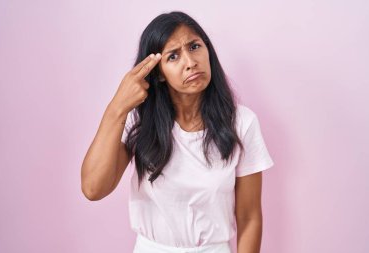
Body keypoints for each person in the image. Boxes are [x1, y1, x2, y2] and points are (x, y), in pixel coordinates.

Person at [81, 11, 274, 253]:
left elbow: (249, 216)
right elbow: (93, 188)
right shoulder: (138, 120)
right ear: (158, 72)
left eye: (195, 46)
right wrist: (117, 107)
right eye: (173, 56)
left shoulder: (241, 122)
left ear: (208, 50)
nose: (190, 62)